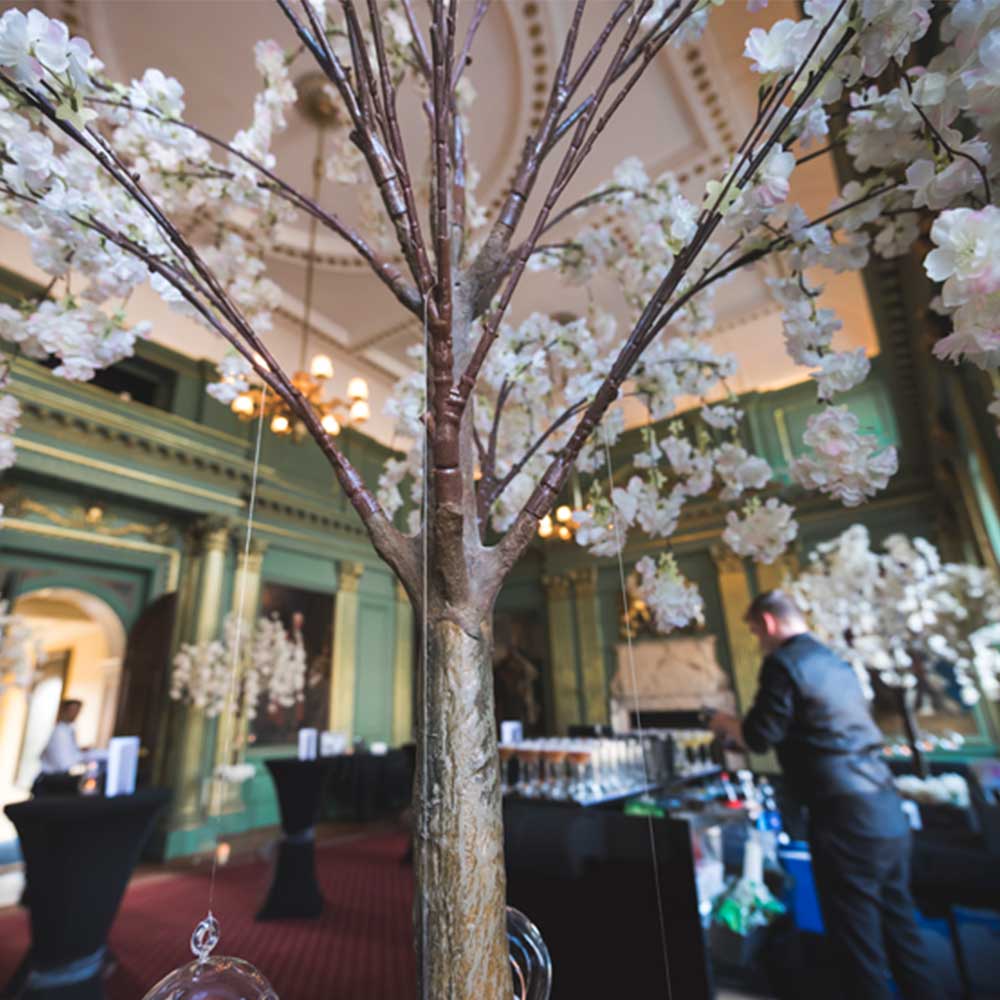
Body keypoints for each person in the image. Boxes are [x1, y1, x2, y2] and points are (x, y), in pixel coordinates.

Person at [708, 590, 937, 1000]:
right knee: (903, 934)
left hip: (844, 816)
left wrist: (724, 721)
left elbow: (759, 737)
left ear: (769, 624)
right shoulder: (835, 661)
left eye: (757, 633)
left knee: (857, 945)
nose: (759, 642)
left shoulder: (783, 663)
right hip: (885, 808)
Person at [38, 698, 84, 774]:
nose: (75, 714)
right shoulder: (59, 731)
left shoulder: (69, 730)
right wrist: (81, 756)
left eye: (77, 711)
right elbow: (63, 763)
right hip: (51, 778)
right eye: (72, 711)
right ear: (64, 711)